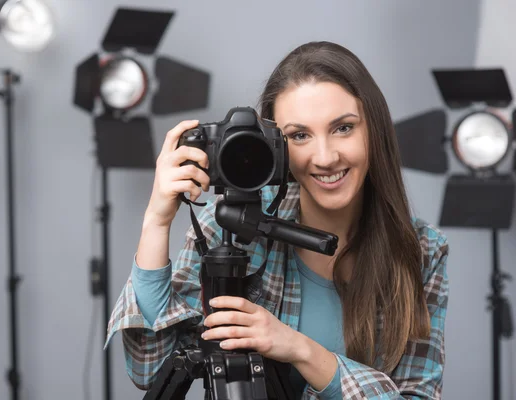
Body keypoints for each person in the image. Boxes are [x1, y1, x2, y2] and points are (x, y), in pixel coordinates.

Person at [104, 41, 449, 399]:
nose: (325, 157)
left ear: (373, 130)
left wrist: (300, 349)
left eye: (343, 128)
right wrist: (157, 221)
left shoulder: (422, 251)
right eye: (300, 136)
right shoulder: (233, 226)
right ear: (276, 149)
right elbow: (149, 368)